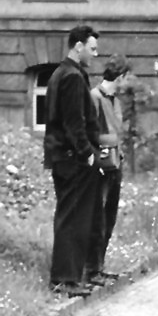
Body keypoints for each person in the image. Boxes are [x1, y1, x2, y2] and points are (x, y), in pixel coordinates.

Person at [44, 25, 101, 297]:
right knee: (73, 218)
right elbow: (73, 121)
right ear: (78, 46)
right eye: (92, 48)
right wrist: (87, 153)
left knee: (71, 216)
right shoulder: (72, 77)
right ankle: (65, 279)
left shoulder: (62, 73)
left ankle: (69, 277)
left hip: (64, 157)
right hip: (72, 159)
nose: (95, 53)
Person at [85, 54, 130, 286]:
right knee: (97, 218)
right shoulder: (94, 98)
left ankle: (99, 267)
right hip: (101, 167)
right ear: (120, 77)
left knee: (109, 217)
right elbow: (89, 132)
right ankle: (90, 269)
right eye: (126, 78)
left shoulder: (115, 100)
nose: (126, 83)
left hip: (116, 164)